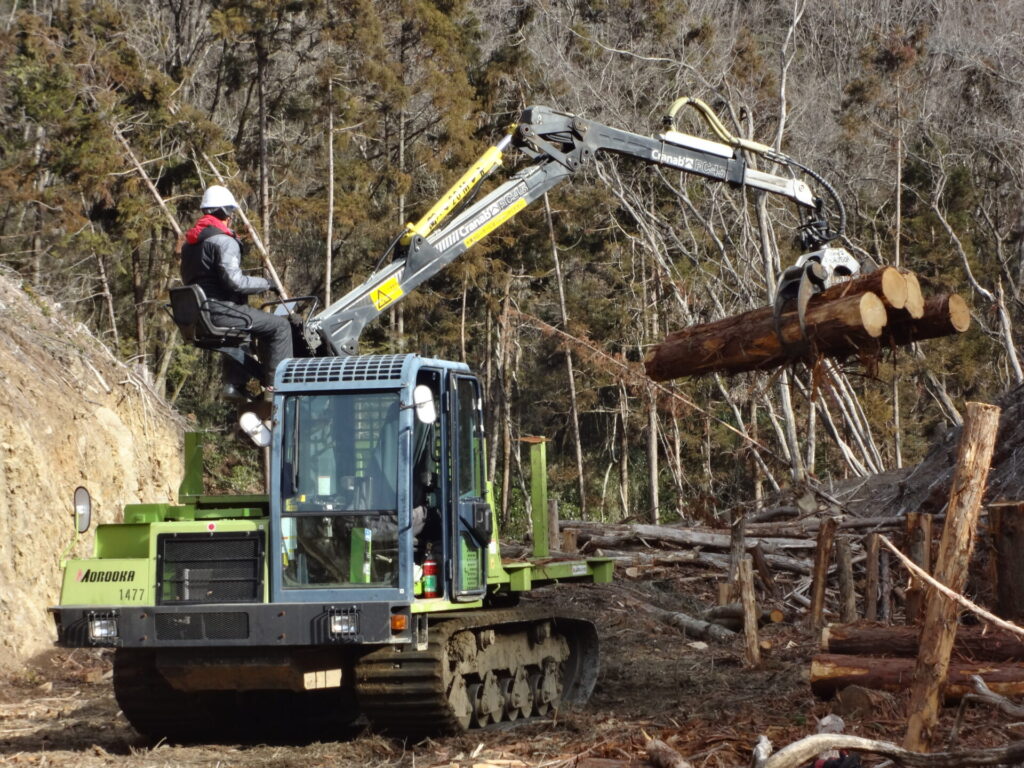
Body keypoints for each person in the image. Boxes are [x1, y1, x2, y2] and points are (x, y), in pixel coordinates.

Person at [180, 185, 292, 397]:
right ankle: (276, 390)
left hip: (201, 314)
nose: (231, 218)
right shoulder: (223, 241)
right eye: (230, 213)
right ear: (224, 212)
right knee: (281, 327)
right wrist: (268, 283)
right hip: (222, 311)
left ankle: (233, 385)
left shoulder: (190, 244)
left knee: (247, 332)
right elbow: (236, 282)